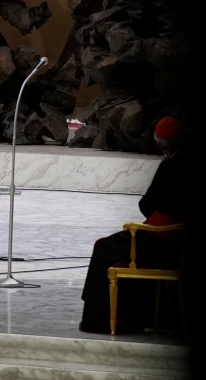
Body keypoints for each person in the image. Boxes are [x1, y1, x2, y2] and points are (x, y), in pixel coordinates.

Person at [80, 115, 190, 334]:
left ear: (160, 144)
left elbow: (146, 206)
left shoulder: (170, 167)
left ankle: (101, 319)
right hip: (181, 242)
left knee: (103, 247)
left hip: (160, 240)